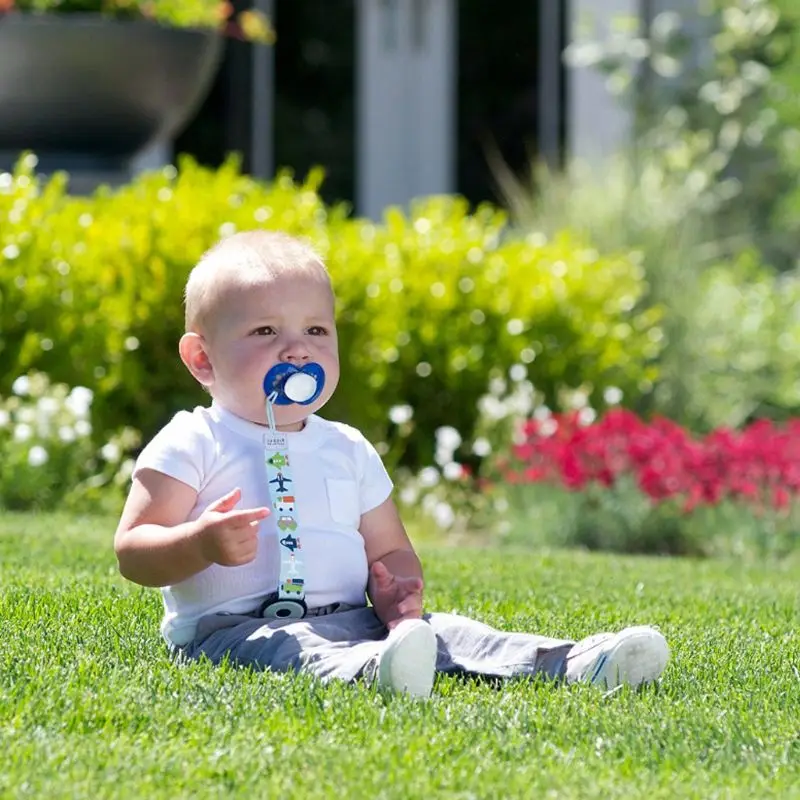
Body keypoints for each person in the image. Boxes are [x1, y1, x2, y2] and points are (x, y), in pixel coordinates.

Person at [114, 230, 670, 698]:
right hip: (232, 629)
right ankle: (376, 670)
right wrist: (200, 544)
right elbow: (133, 552)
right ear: (202, 358)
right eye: (265, 332)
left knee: (450, 630)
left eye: (315, 330)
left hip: (353, 615)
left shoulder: (347, 448)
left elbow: (390, 548)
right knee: (291, 648)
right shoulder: (195, 439)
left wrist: (398, 589)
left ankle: (573, 663)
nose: (297, 350)